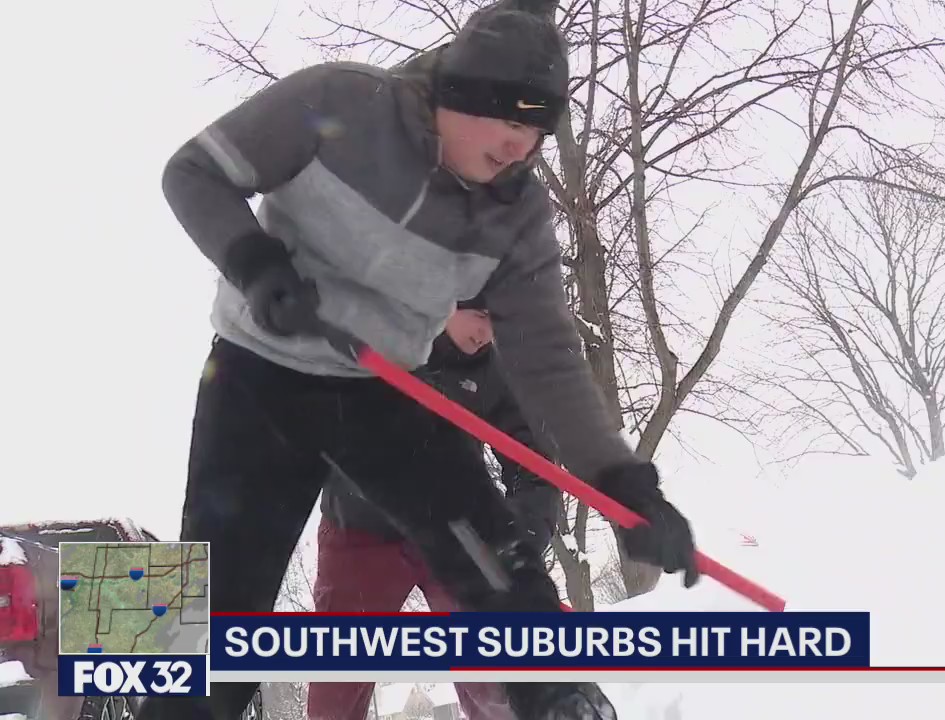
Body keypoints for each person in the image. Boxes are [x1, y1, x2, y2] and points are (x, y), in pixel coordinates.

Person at [140, 0, 701, 717]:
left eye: (536, 128)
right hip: (258, 371)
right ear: (457, 94)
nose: (519, 145)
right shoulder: (337, 101)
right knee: (219, 595)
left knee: (496, 554)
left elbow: (549, 356)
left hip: (382, 385)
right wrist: (254, 262)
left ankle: (559, 697)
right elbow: (192, 171)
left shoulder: (515, 216)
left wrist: (626, 486)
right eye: (507, 118)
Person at [308, 302, 561, 720]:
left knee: (493, 666)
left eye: (495, 321)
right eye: (480, 316)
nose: (486, 333)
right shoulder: (381, 333)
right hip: (361, 528)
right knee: (339, 668)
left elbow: (533, 465)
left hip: (453, 528)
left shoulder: (495, 373)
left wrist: (521, 538)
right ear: (446, 297)